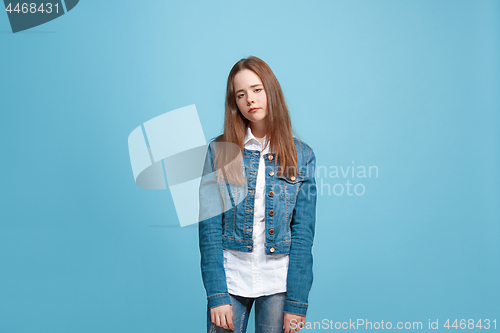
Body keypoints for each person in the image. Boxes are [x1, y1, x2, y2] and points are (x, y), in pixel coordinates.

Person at [198, 56, 317, 333]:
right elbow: (209, 228)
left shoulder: (303, 156)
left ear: (270, 91)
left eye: (256, 89)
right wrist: (216, 294)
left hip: (279, 283)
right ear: (235, 104)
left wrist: (297, 303)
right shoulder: (219, 152)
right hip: (230, 281)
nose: (250, 99)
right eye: (241, 94)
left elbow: (303, 235)